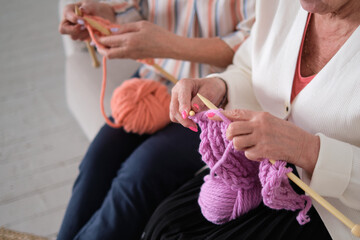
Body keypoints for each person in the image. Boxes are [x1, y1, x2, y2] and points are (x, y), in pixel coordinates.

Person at [144, 0, 360, 239]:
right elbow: (249, 67)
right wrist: (220, 87)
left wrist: (308, 150)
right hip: (256, 170)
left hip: (330, 211)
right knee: (166, 223)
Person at [57, 1, 256, 239]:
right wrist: (105, 14)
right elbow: (136, 6)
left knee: (140, 175)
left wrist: (167, 45)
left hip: (214, 100)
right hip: (156, 79)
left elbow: (255, 48)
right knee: (97, 158)